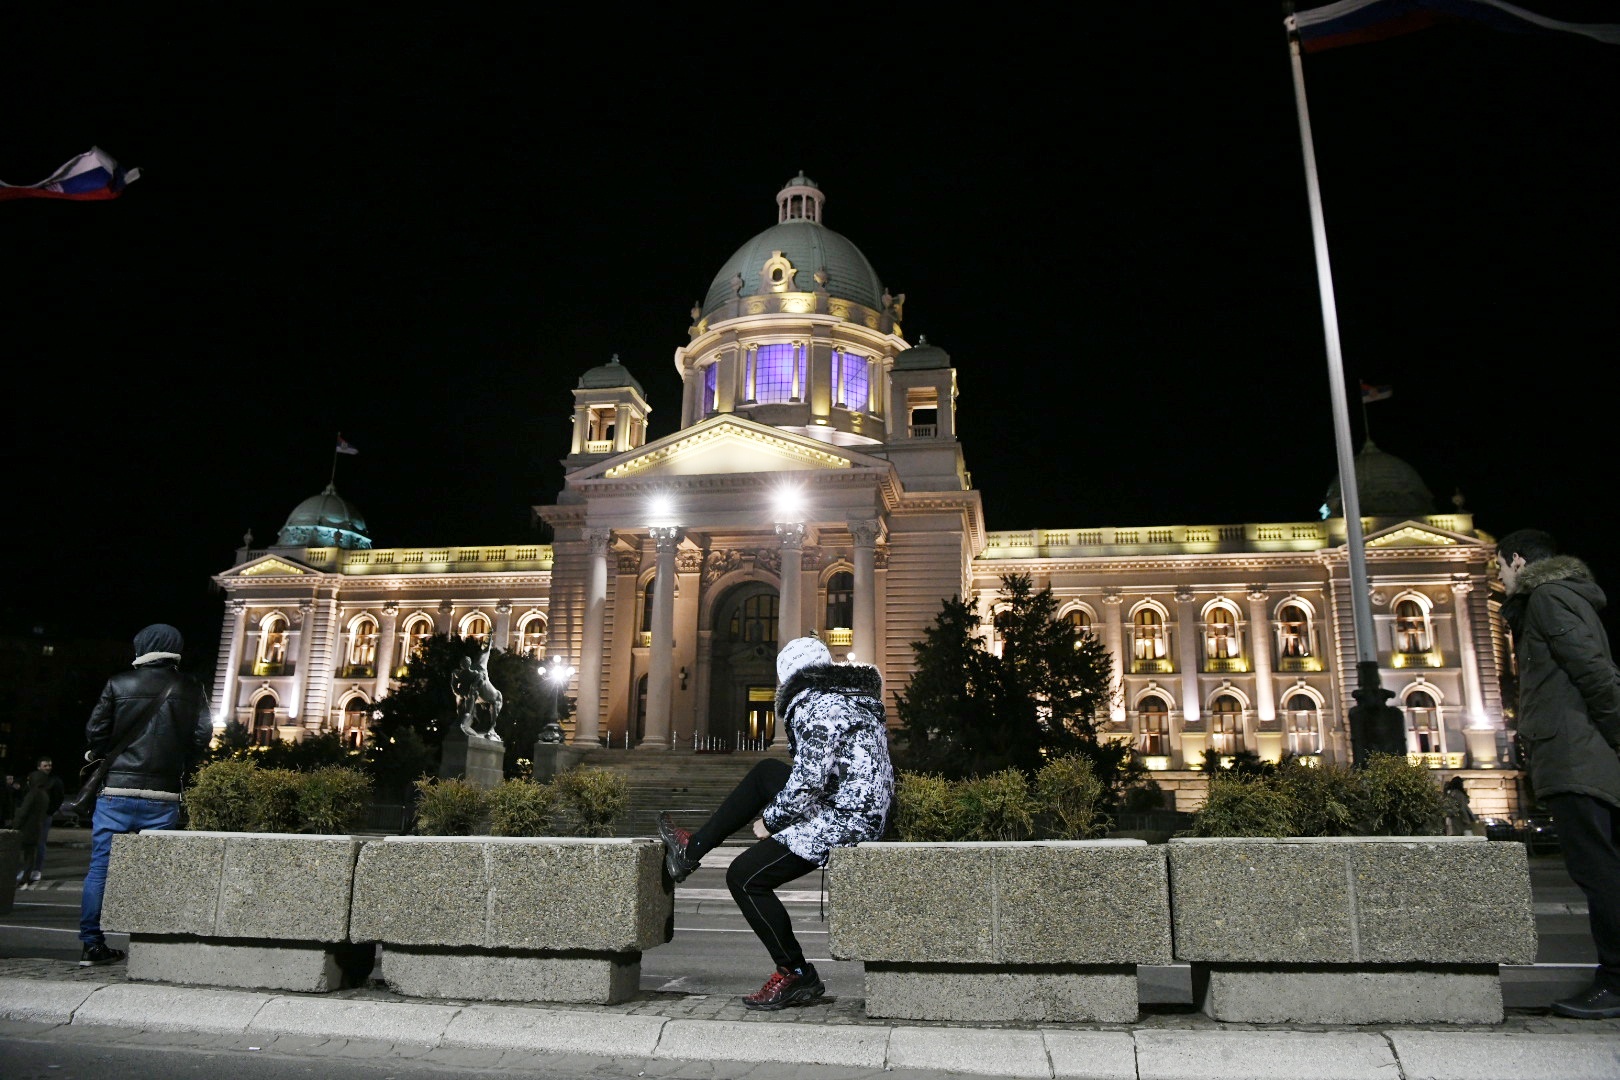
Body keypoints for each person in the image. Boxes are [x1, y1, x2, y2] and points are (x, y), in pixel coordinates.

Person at [657, 634, 894, 1011]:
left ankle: (796, 972)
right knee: (767, 771)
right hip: (861, 809)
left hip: (846, 819)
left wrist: (770, 820)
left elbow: (810, 780)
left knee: (745, 876)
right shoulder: (849, 699)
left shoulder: (815, 704)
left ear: (789, 678)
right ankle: (692, 850)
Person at [1497, 528, 1620, 1019]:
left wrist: (1615, 735)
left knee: (1597, 870)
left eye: (1501, 568)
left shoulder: (1546, 599)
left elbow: (1595, 673)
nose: (1500, 578)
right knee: (1600, 867)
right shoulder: (1558, 598)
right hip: (1576, 750)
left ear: (1520, 561)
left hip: (1576, 754)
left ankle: (1614, 982)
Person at [78, 623, 212, 966]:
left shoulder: (119, 683)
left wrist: (101, 754)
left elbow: (96, 733)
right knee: (158, 869)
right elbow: (202, 736)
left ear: (142, 646)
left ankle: (92, 945)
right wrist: (182, 761)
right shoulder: (191, 686)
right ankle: (152, 947)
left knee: (100, 869)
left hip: (116, 791)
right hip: (163, 794)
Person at [24, 756, 65, 884]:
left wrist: (49, 811)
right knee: (29, 843)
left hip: (45, 815)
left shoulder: (54, 781)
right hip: (32, 815)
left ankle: (37, 870)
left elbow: (58, 798)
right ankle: (27, 870)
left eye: (49, 765)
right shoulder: (31, 779)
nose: (48, 768)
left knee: (40, 843)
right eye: (45, 765)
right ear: (39, 767)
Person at [13, 771, 53, 888]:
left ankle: (15, 878)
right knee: (30, 856)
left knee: (16, 854)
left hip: (26, 828)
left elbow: (24, 811)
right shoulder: (44, 795)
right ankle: (25, 879)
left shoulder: (33, 794)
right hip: (37, 828)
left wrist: (15, 823)